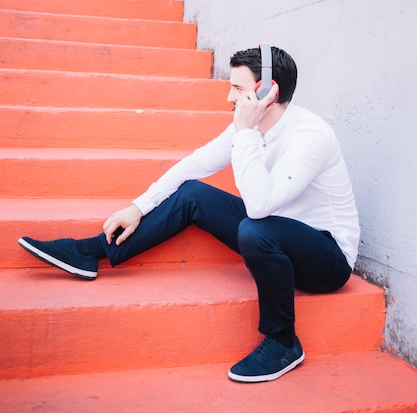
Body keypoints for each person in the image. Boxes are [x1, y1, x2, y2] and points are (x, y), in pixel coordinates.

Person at [18, 46, 360, 383]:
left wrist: (243, 133)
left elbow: (258, 206)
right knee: (194, 193)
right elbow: (195, 164)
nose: (229, 97)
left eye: (238, 89)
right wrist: (138, 206)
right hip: (275, 231)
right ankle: (92, 252)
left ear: (269, 92)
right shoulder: (250, 127)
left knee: (256, 230)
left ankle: (284, 341)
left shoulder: (310, 136)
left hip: (326, 258)